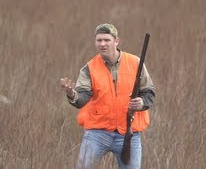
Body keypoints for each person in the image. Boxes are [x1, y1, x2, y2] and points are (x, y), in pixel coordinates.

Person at [60, 23, 155, 169]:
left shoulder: (135, 62)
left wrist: (141, 103)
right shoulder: (89, 68)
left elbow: (149, 92)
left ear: (116, 41)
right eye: (99, 40)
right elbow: (82, 98)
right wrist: (72, 94)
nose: (102, 44)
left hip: (129, 133)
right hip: (97, 133)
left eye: (106, 40)